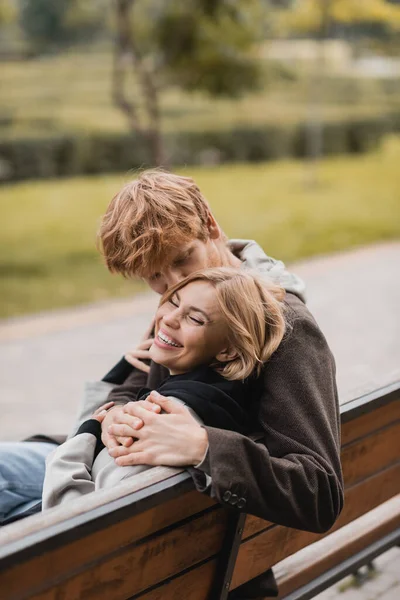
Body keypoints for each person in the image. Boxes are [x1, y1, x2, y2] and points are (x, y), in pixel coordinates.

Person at [0, 170, 343, 598]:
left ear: (211, 225)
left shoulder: (281, 326)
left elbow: (318, 489)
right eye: (155, 277)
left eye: (182, 259)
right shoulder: (192, 298)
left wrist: (203, 446)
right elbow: (135, 378)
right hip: (120, 470)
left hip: (154, 510)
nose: (171, 284)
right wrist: (114, 416)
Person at [42, 268, 286, 508]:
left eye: (194, 318)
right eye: (173, 302)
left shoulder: (158, 424)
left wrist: (87, 433)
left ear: (228, 350)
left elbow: (70, 512)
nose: (168, 319)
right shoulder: (227, 405)